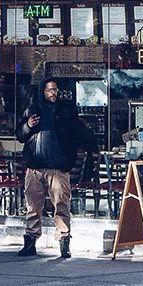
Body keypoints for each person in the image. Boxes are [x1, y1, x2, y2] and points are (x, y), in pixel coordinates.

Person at [17, 78, 95, 259]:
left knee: (61, 205)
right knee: (32, 207)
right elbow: (20, 135)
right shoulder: (32, 110)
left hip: (58, 169)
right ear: (42, 91)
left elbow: (77, 134)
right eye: (50, 90)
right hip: (35, 168)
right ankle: (30, 241)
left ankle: (64, 240)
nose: (54, 93)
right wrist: (29, 126)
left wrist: (68, 161)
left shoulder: (66, 109)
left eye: (55, 90)